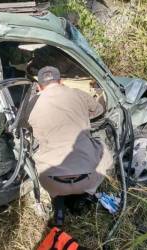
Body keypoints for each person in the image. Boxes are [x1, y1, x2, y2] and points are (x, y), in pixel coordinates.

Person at [27, 66, 113, 225]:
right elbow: (99, 110)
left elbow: (24, 125)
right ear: (61, 82)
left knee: (39, 153)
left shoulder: (31, 103)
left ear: (38, 87)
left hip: (50, 181)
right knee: (103, 149)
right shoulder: (77, 94)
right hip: (86, 178)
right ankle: (86, 195)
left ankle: (58, 203)